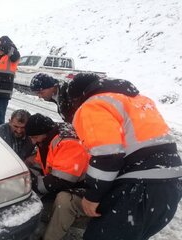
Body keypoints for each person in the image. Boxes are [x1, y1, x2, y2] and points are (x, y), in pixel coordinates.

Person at [60, 73, 182, 240]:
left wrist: (92, 196)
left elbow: (107, 156)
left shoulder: (93, 105)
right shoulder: (139, 100)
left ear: (77, 98)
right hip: (170, 186)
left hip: (140, 188)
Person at [24, 113, 91, 240]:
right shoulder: (47, 140)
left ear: (45, 132)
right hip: (71, 182)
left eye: (35, 137)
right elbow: (40, 165)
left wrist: (30, 183)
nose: (33, 141)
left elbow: (61, 180)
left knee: (64, 201)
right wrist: (27, 175)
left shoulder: (69, 143)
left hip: (87, 188)